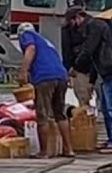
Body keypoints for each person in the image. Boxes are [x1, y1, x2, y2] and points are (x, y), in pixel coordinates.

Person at [68, 4, 112, 153]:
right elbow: (96, 58)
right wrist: (92, 80)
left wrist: (75, 66)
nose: (72, 26)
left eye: (72, 21)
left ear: (78, 17)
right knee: (107, 108)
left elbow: (89, 50)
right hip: (106, 71)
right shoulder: (96, 25)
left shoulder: (94, 25)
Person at [17, 22, 73, 159]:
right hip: (61, 76)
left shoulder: (27, 35)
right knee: (60, 113)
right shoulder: (46, 42)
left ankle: (44, 152)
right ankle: (68, 149)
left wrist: (23, 71)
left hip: (45, 77)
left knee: (42, 114)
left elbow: (31, 48)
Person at [60, 0, 94, 109]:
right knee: (83, 100)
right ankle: (86, 123)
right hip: (78, 69)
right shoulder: (66, 27)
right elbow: (66, 49)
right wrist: (68, 68)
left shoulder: (93, 24)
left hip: (95, 66)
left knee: (104, 101)